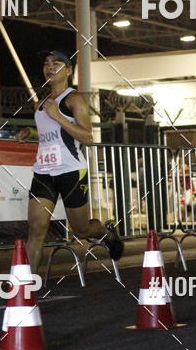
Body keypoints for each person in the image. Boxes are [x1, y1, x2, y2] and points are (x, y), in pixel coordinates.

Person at [15, 50, 124, 273]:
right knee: (36, 228)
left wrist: (58, 115)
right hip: (44, 172)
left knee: (81, 230)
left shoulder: (74, 99)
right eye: (46, 63)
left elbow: (87, 137)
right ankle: (26, 284)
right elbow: (52, 134)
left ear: (69, 71)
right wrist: (30, 133)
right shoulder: (40, 105)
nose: (50, 67)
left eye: (56, 63)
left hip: (71, 171)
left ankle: (106, 233)